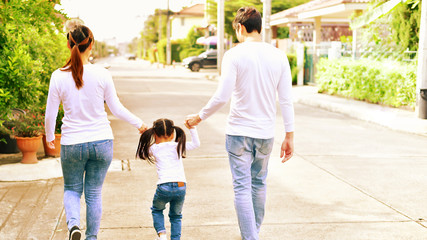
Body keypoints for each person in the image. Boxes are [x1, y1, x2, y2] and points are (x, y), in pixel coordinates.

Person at [185, 6, 295, 240]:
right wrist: (289, 135)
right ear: (259, 27)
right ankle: (252, 233)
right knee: (259, 185)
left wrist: (199, 117)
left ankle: (250, 236)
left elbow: (222, 96)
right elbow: (285, 99)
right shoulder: (279, 56)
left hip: (238, 133)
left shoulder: (233, 55)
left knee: (242, 188)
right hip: (265, 134)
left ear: (240, 27)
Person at [44, 22, 147, 240]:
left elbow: (50, 113)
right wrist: (139, 123)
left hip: (72, 143)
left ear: (69, 44)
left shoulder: (58, 76)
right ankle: (91, 237)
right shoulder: (102, 74)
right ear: (90, 45)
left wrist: (50, 137)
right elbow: (116, 108)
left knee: (72, 189)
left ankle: (73, 226)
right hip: (102, 143)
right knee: (93, 193)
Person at [136, 118, 200, 240]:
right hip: (181, 185)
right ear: (172, 134)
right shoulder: (178, 146)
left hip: (163, 186)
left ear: (154, 134)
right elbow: (196, 144)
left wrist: (144, 134)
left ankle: (162, 234)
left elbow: (141, 154)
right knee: (176, 216)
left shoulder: (154, 148)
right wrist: (192, 128)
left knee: (157, 210)